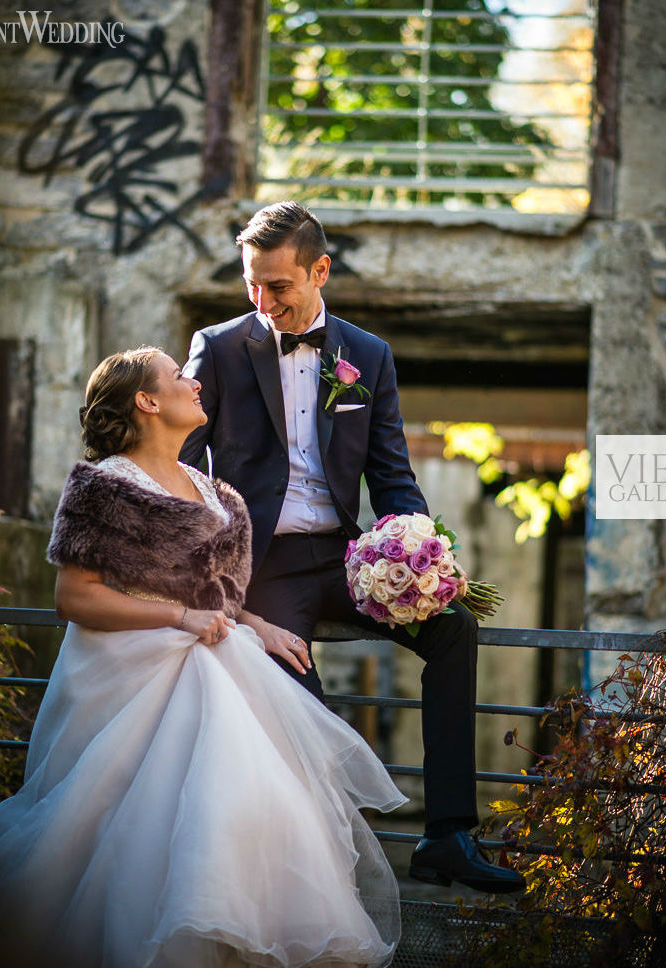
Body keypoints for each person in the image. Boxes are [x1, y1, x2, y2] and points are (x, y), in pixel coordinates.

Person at [0, 347, 406, 968]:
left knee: (245, 794)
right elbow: (74, 597)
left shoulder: (221, 497)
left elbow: (212, 598)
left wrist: (256, 622)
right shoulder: (103, 484)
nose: (194, 382)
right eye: (177, 376)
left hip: (215, 653)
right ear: (147, 401)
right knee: (135, 814)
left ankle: (235, 932)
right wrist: (179, 618)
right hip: (128, 667)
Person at [181, 201, 524, 895]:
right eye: (251, 283)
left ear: (320, 271)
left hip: (345, 559)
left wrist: (420, 555)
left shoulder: (367, 356)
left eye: (278, 285)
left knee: (454, 627)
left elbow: (392, 475)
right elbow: (182, 471)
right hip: (262, 569)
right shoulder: (217, 347)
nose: (262, 300)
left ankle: (449, 835)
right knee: (303, 711)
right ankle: (313, 868)